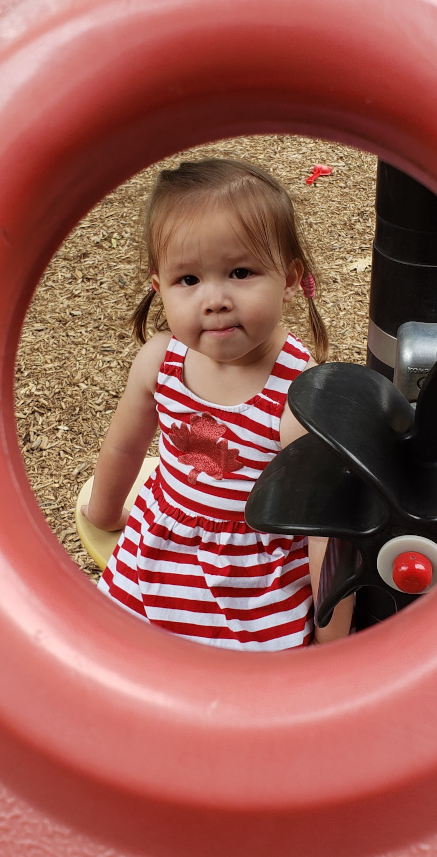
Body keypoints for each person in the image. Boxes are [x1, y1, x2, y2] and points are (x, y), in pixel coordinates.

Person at [82, 158, 354, 649]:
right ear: (158, 286)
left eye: (240, 272)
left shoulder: (300, 400)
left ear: (291, 279)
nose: (215, 299)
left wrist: (332, 637)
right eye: (188, 280)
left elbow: (326, 530)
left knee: (240, 691)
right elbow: (124, 447)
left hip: (250, 584)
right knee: (125, 658)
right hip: (159, 551)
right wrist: (105, 516)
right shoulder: (159, 362)